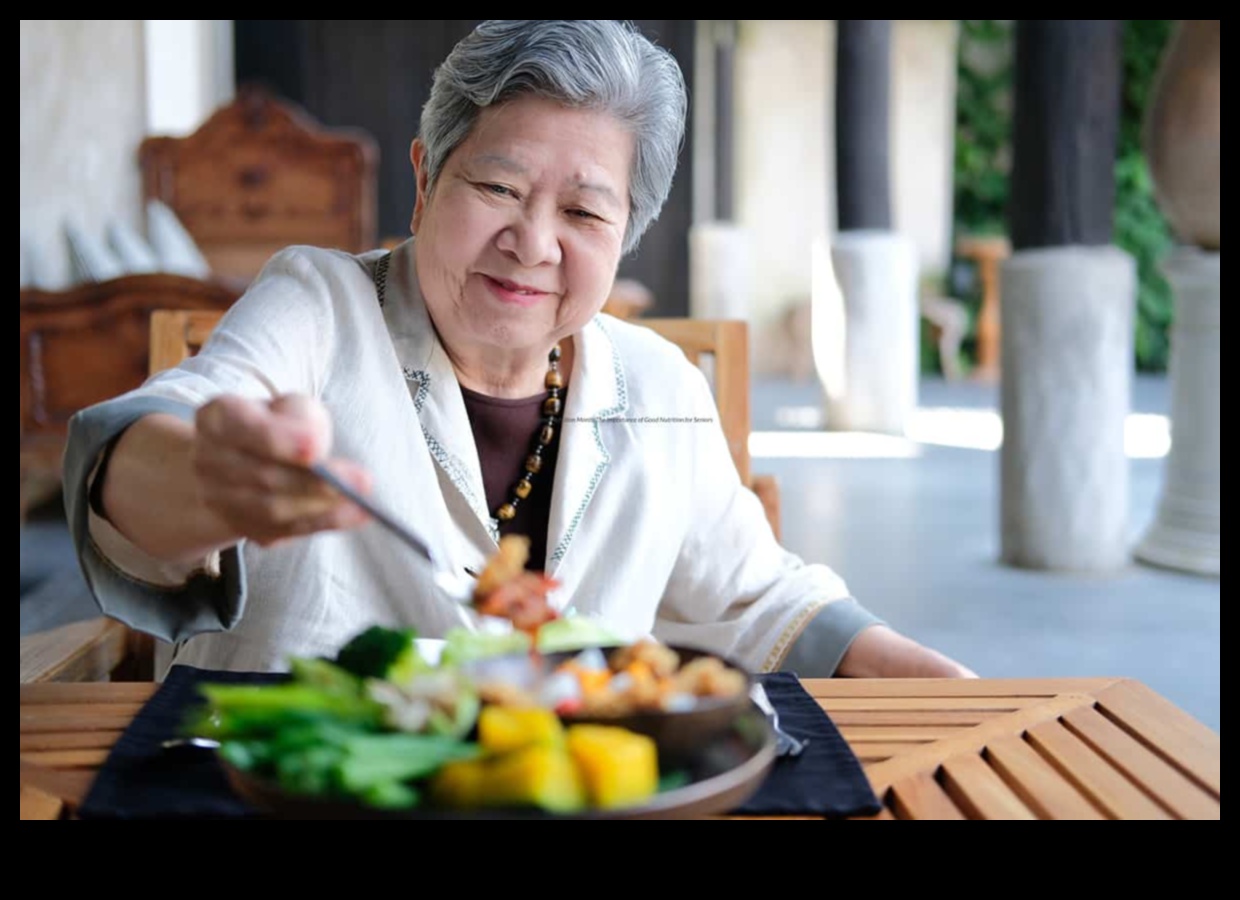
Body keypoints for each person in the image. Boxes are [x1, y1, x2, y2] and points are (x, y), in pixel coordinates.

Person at [64, 20, 976, 680]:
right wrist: (208, 481)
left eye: (584, 211)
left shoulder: (658, 384)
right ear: (425, 182)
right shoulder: (319, 303)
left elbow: (759, 597)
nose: (534, 243)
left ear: (627, 234)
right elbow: (148, 452)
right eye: (497, 186)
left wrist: (941, 685)